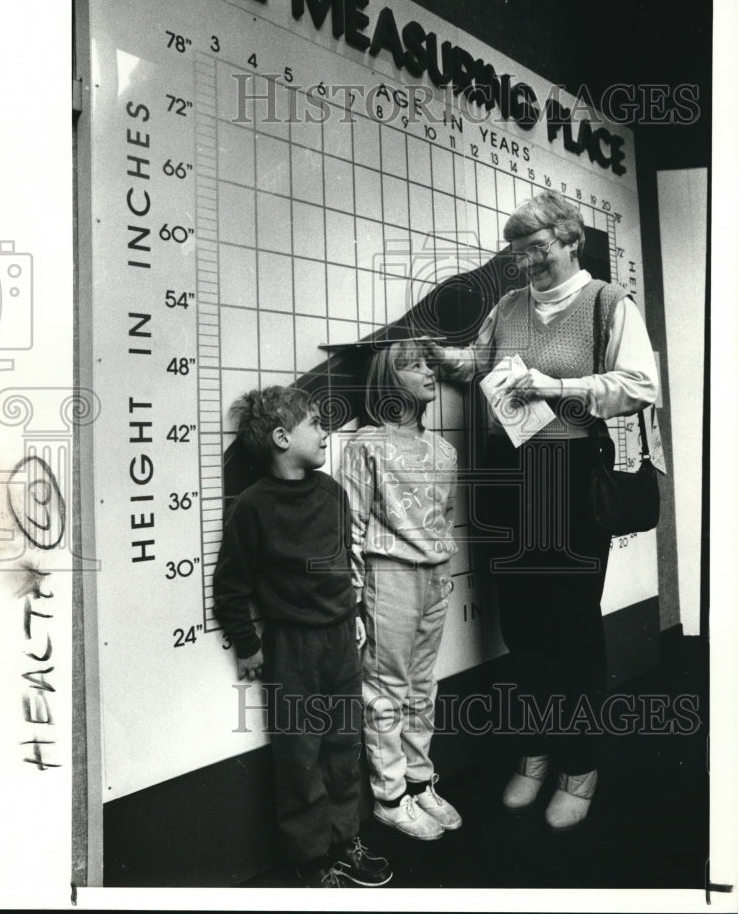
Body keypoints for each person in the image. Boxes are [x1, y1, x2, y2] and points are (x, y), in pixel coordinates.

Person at [435, 190, 659, 831]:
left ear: (569, 241)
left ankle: (579, 768)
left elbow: (642, 386)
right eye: (518, 252)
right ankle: (534, 755)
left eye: (538, 248)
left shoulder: (608, 304)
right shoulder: (507, 306)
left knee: (573, 633)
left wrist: (557, 387)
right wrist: (444, 359)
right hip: (509, 482)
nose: (527, 261)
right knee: (522, 630)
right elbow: (483, 365)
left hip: (570, 488)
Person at [212, 386, 392, 888]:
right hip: (291, 651)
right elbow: (230, 588)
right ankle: (312, 859)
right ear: (281, 437)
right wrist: (248, 646)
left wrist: (354, 612)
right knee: (299, 759)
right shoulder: (252, 506)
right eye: (315, 422)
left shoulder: (332, 492)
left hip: (340, 644)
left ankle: (344, 840)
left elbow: (341, 566)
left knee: (343, 746)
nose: (325, 430)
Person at [338, 340, 463, 841]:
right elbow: (348, 524)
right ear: (388, 382)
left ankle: (418, 780)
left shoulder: (444, 449)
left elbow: (445, 516)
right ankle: (390, 797)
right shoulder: (367, 444)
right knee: (385, 688)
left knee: (422, 686)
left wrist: (444, 569)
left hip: (435, 575)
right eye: (412, 365)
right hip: (389, 575)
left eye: (428, 362)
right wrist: (352, 599)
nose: (428, 371)